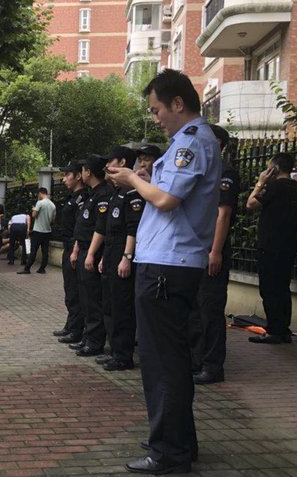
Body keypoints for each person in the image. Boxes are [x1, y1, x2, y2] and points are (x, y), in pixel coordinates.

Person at [108, 69, 221, 474]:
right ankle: (179, 442)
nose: (155, 118)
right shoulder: (191, 142)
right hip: (170, 264)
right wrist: (144, 178)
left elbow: (168, 200)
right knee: (171, 359)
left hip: (167, 265)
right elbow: (168, 190)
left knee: (162, 364)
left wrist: (131, 180)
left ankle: (168, 452)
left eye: (157, 110)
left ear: (177, 103)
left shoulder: (191, 142)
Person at [187, 124, 239, 384]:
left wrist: (215, 251)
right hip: (197, 249)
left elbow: (223, 214)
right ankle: (196, 360)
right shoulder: (204, 170)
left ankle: (212, 365)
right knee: (195, 309)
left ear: (217, 143)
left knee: (210, 309)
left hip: (212, 250)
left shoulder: (225, 172)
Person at [245, 152, 297, 344]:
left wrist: (260, 183)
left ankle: (273, 330)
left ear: (274, 169)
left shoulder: (273, 187)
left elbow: (250, 204)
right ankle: (283, 329)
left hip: (270, 244)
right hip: (289, 244)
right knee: (283, 286)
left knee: (269, 288)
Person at [94, 146, 143, 371]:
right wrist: (105, 257)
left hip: (123, 253)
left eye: (110, 161)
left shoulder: (132, 193)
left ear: (122, 163)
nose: (106, 166)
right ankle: (114, 351)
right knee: (109, 305)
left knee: (122, 307)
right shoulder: (115, 193)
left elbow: (133, 229)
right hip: (111, 253)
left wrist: (127, 257)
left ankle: (123, 356)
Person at [69, 155, 112, 358]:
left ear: (89, 172)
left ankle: (95, 341)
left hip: (93, 251)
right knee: (85, 297)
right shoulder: (91, 195)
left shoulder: (103, 195)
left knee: (93, 298)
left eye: (84, 169)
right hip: (84, 248)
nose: (81, 173)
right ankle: (88, 336)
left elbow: (99, 228)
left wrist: (91, 254)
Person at [55, 160, 88, 344]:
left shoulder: (83, 198)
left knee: (75, 291)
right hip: (67, 247)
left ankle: (76, 329)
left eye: (67, 174)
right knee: (69, 289)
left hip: (74, 247)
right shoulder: (72, 197)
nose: (64, 178)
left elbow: (80, 227)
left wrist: (75, 250)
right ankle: (71, 324)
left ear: (78, 176)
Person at [17, 187, 56, 275]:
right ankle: (42, 268)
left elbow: (34, 215)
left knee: (33, 250)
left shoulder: (40, 203)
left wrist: (34, 209)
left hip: (38, 231)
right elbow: (53, 219)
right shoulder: (53, 205)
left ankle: (27, 268)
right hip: (47, 231)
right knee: (45, 251)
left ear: (40, 193)